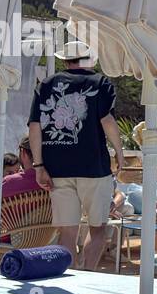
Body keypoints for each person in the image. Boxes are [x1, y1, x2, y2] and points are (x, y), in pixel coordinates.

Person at [28, 39, 125, 270]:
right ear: (89, 59)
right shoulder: (100, 82)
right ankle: (89, 272)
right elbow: (107, 120)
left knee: (67, 231)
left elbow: (34, 127)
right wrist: (119, 152)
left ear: (65, 60)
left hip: (57, 169)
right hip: (94, 168)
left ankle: (71, 278)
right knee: (97, 227)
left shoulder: (46, 84)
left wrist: (38, 165)